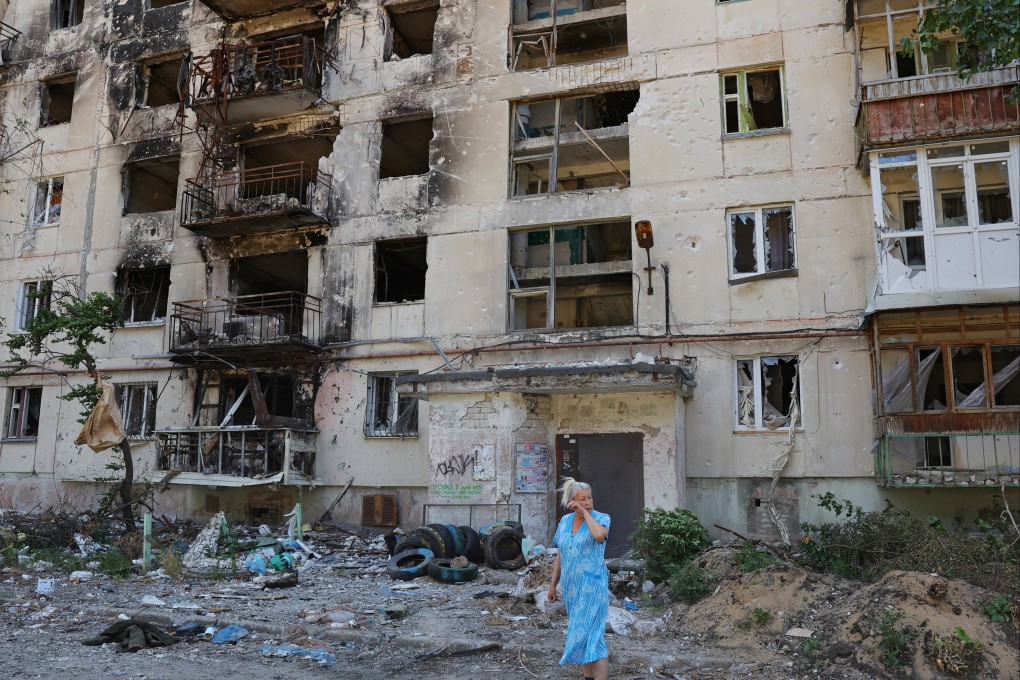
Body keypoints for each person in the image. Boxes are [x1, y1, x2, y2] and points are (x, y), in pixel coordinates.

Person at [547, 477, 611, 680]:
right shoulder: (565, 522)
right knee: (582, 635)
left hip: (593, 587)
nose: (588, 502)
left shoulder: (601, 518)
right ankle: (588, 678)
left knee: (595, 637)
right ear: (572, 501)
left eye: (590, 497)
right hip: (572, 589)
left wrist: (585, 513)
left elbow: (599, 536)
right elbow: (561, 553)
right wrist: (553, 585)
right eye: (582, 499)